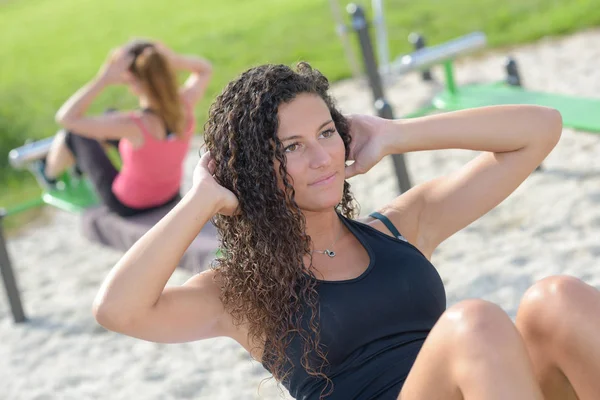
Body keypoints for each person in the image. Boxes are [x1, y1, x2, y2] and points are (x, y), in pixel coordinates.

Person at [92, 62, 600, 399]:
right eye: (291, 147)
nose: (320, 158)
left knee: (557, 298)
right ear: (249, 170)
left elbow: (540, 130)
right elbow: (118, 310)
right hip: (461, 358)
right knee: (476, 324)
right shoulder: (237, 294)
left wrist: (398, 133)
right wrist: (203, 197)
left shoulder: (400, 228)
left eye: (326, 133)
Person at [42, 39, 212, 217]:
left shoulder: (132, 125)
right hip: (169, 195)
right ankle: (74, 164)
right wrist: (175, 59)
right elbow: (205, 69)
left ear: (133, 81)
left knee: (74, 135)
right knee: (109, 115)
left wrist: (104, 79)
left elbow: (66, 118)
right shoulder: (185, 104)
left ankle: (49, 174)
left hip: (130, 205)